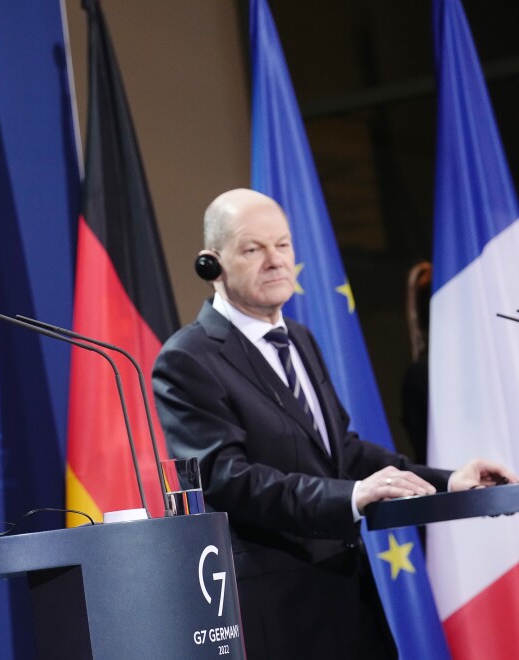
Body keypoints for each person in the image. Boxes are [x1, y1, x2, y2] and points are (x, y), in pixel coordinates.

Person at [152, 188, 516, 659]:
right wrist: (352, 496)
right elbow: (227, 479)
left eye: (282, 245)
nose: (275, 261)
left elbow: (343, 452)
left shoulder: (299, 338)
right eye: (252, 248)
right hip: (280, 612)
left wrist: (448, 480)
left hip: (350, 599)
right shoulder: (187, 359)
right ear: (211, 264)